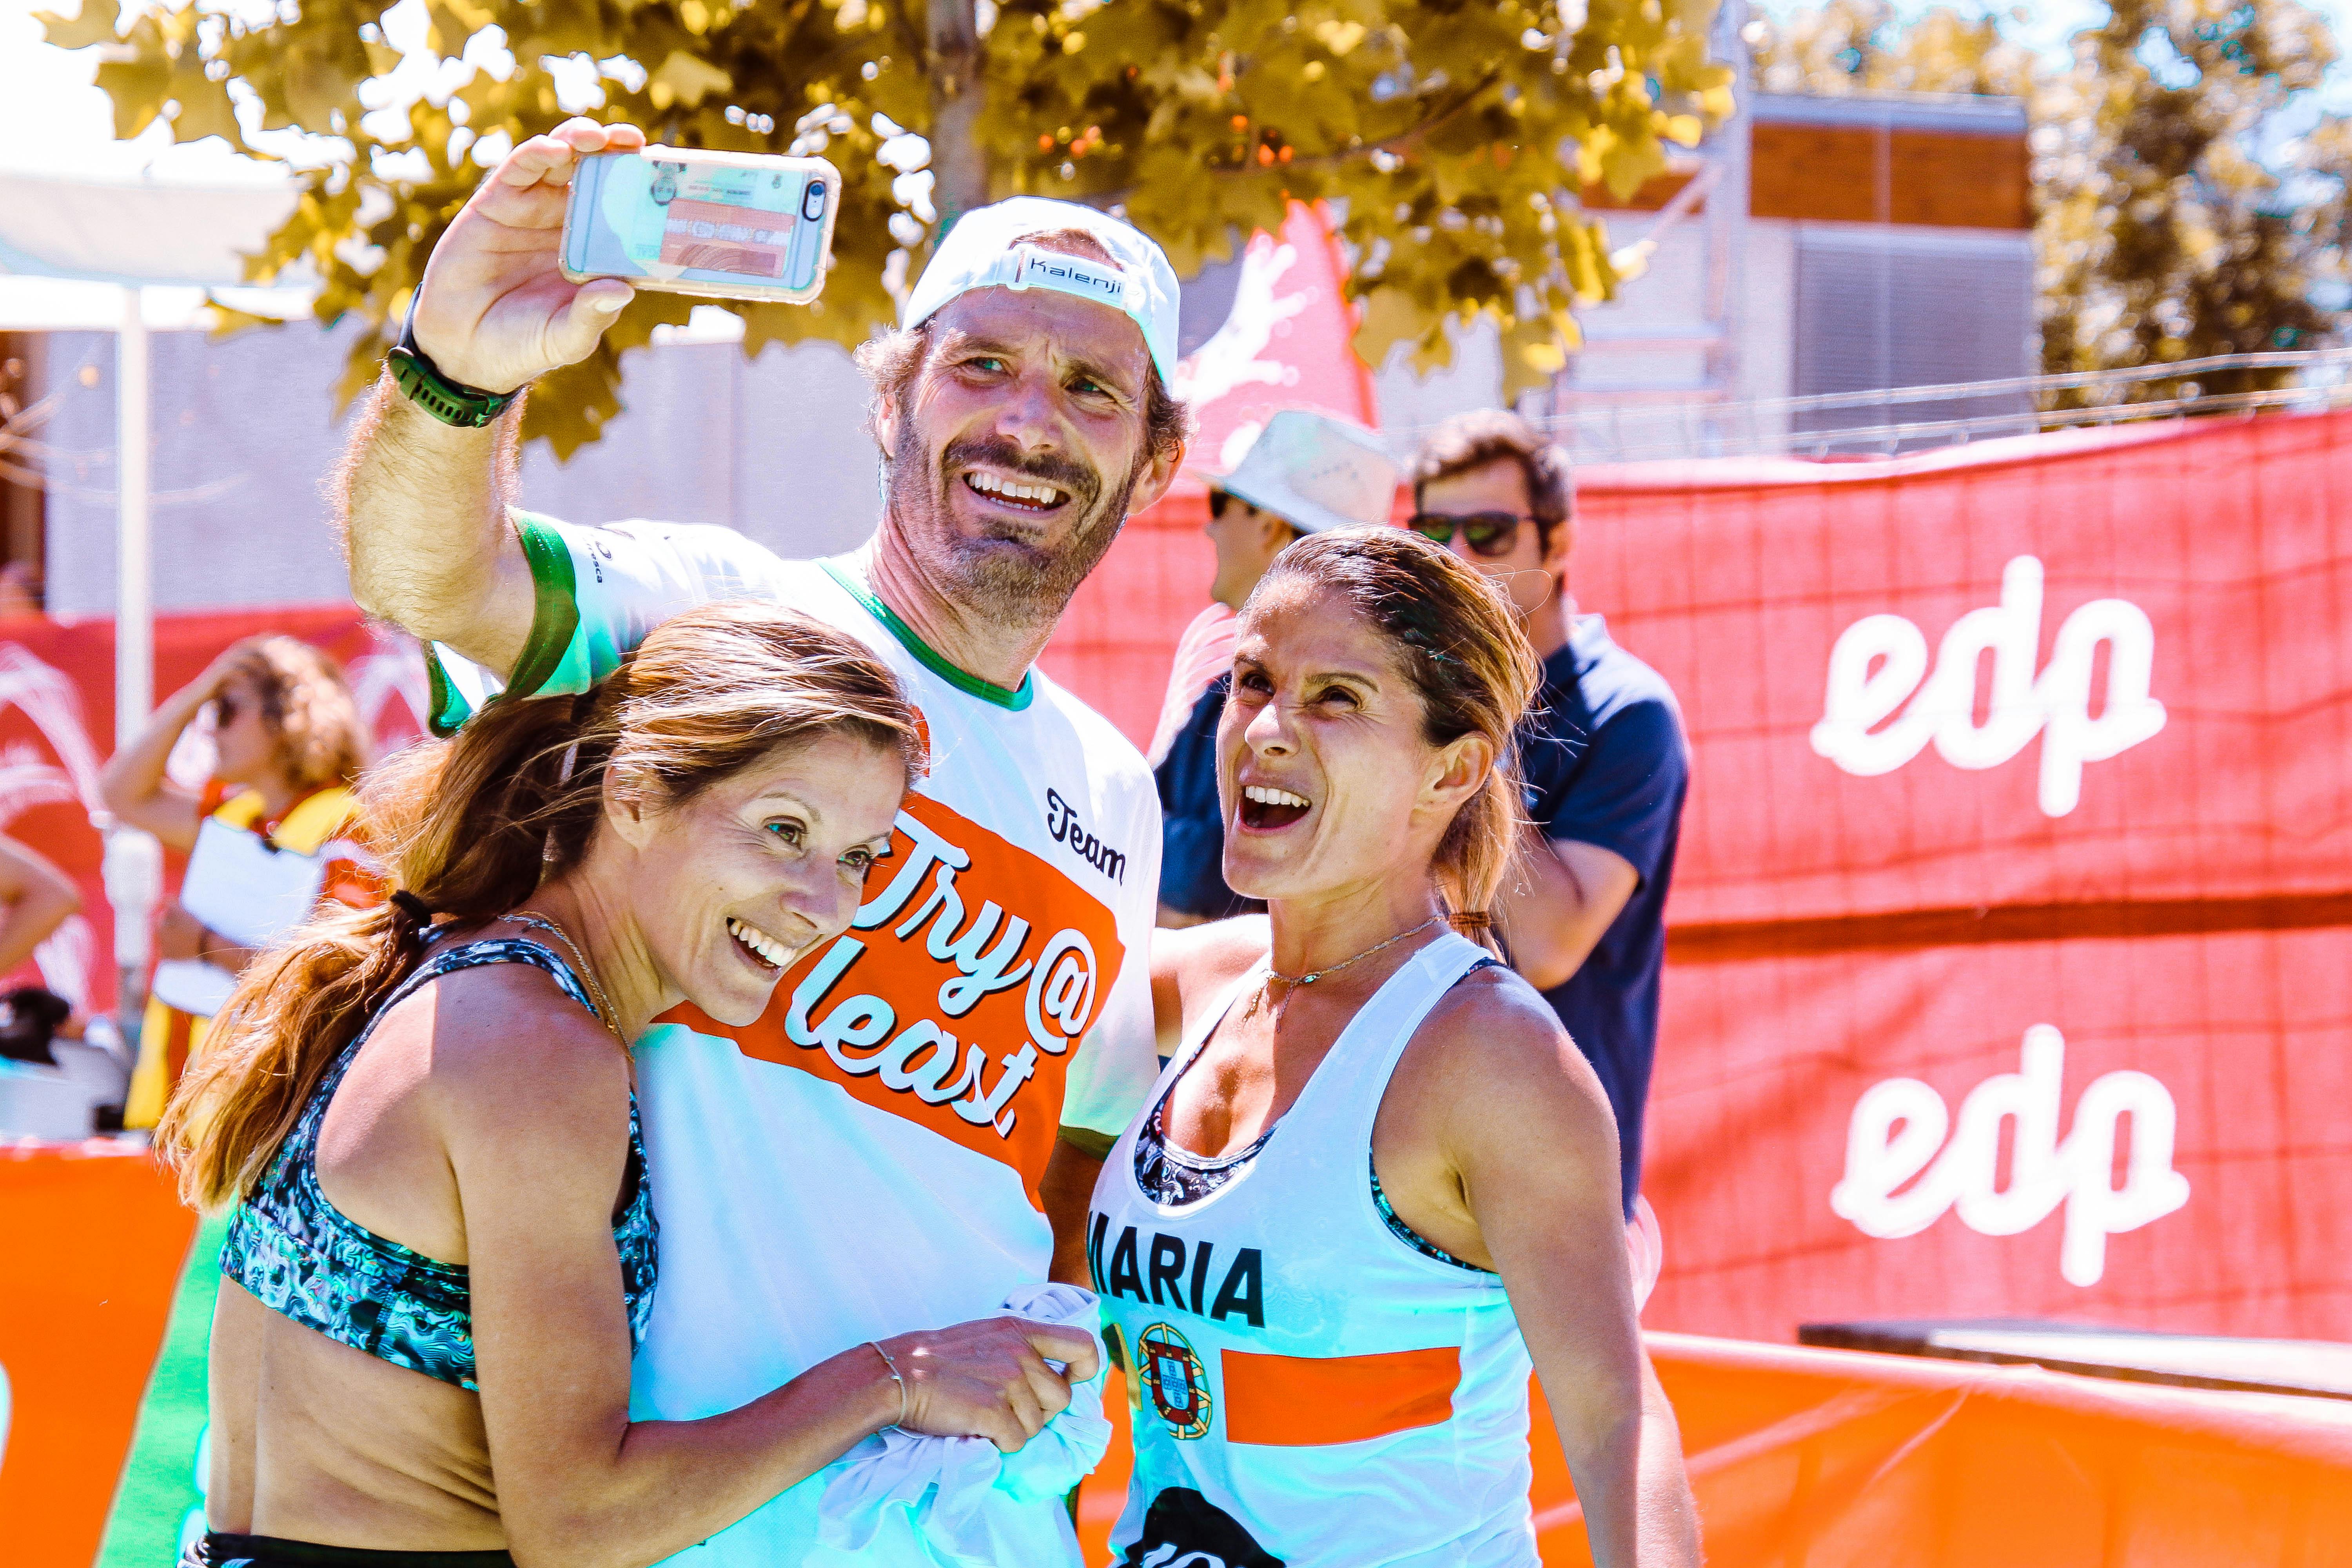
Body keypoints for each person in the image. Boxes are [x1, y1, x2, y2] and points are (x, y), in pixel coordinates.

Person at [333, 117, 1182, 1563]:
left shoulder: (1116, 789)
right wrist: (453, 371)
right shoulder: (725, 622)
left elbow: (1063, 1161)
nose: (1028, 422)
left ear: (1152, 463)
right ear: (889, 394)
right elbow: (439, 575)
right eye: (981, 364)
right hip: (679, 1518)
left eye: (1091, 388)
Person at [160, 603, 1098, 1568]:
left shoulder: (467, 971)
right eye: (784, 830)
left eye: (857, 859)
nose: (825, 906)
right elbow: (578, 1524)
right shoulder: (540, 1053)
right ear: (636, 793)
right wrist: (896, 1376)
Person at [1094, 528, 1699, 1566]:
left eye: (1339, 697)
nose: (1269, 729)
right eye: (1252, 680)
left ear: (1452, 771)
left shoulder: (1489, 1056)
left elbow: (1617, 1423)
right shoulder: (1194, 984)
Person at [1405, 410, 1689, 1221]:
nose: (1458, 559)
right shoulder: (1414, 700)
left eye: (1489, 532)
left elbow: (1548, 944)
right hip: (1415, 1153)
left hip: (1556, 1183)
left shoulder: (1630, 714)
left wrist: (1471, 721)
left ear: (1558, 546)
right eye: (1434, 532)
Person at [102, 636, 381, 1129]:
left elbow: (338, 980)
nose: (210, 730)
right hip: (183, 1122)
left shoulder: (348, 829)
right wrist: (200, 691)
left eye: (227, 709)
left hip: (263, 1128)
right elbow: (120, 792)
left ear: (290, 716)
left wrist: (205, 944)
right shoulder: (234, 815)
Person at [1151, 409, 1399, 927]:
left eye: (1223, 504)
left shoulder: (1372, 714)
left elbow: (1210, 882)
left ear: (1269, 526)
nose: (1209, 526)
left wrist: (1159, 843)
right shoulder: (1227, 688)